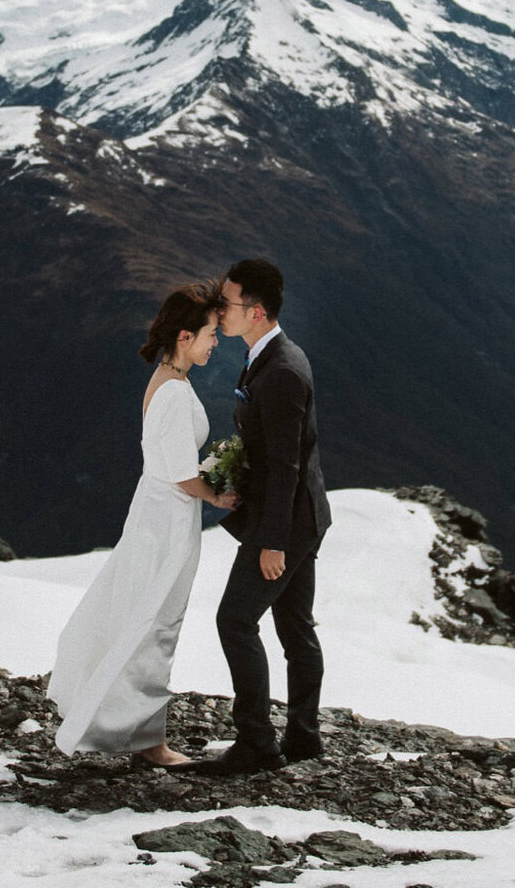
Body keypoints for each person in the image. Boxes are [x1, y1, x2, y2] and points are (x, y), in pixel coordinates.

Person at [46, 282, 239, 764]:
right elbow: (180, 475)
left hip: (155, 514)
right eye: (210, 333)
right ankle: (148, 742)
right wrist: (221, 495)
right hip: (168, 523)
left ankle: (133, 727)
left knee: (143, 615)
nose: (216, 342)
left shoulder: (168, 378)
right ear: (184, 336)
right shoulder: (174, 393)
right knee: (156, 622)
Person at [183, 257, 332, 778]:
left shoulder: (282, 370)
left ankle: (257, 745)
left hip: (287, 522)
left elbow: (287, 463)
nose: (219, 311)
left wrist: (272, 542)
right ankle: (303, 739)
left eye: (227, 303)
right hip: (302, 516)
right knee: (295, 628)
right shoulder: (272, 356)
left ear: (257, 311)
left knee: (235, 620)